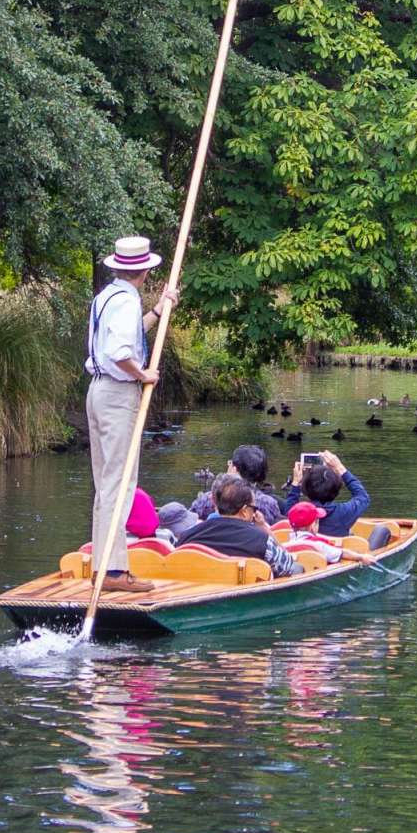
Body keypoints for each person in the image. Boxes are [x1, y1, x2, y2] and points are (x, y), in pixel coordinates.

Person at [85, 235, 179, 593]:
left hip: (97, 391)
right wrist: (144, 375)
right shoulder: (125, 302)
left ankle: (104, 567)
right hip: (117, 393)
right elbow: (121, 350)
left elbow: (128, 334)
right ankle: (112, 573)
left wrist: (158, 310)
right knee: (119, 483)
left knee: (106, 483)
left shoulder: (108, 297)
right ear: (143, 270)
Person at [177, 475, 303, 578]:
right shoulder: (260, 539)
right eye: (254, 508)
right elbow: (289, 566)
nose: (255, 513)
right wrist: (265, 529)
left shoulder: (187, 536)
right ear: (244, 511)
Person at [283, 450, 391, 549]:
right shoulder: (344, 512)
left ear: (305, 488)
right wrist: (340, 468)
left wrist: (296, 483)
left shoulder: (297, 514)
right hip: (337, 554)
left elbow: (289, 507)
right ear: (337, 488)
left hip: (314, 555)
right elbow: (363, 497)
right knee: (381, 530)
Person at [188, 444, 284, 523]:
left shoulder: (207, 499)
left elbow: (189, 522)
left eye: (230, 463)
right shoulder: (269, 504)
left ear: (234, 469)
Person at [283, 501, 376, 567]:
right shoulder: (317, 545)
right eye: (317, 521)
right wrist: (361, 557)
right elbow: (342, 553)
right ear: (312, 526)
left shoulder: (283, 546)